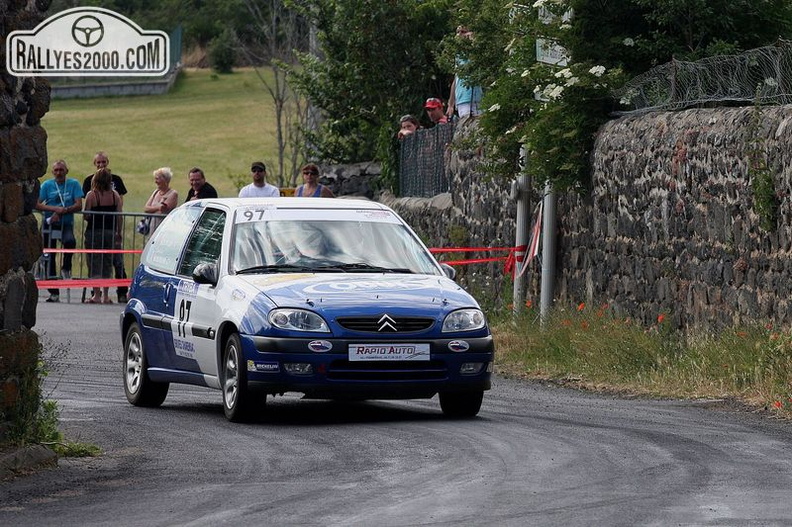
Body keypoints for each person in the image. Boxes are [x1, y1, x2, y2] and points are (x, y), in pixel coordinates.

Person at [82, 151, 129, 303]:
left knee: (94, 262)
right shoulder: (115, 195)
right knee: (108, 262)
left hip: (94, 232)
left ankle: (96, 294)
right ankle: (107, 295)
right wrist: (118, 232)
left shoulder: (91, 195)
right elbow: (119, 215)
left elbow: (86, 215)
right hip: (110, 232)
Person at [36, 159, 84, 303]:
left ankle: (66, 267)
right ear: (53, 172)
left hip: (65, 223)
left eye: (61, 170)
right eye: (56, 170)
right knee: (49, 256)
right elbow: (37, 203)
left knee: (70, 242)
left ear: (66, 171)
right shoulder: (47, 185)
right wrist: (54, 210)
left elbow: (79, 204)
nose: (59, 173)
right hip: (50, 224)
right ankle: (54, 292)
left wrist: (64, 211)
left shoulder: (73, 184)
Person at [446, 26, 483, 119]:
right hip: (461, 100)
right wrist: (451, 104)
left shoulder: (472, 52)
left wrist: (473, 39)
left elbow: (478, 55)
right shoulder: (458, 55)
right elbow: (456, 78)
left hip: (473, 99)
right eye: (457, 32)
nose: (459, 34)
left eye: (463, 32)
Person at [143, 167, 179, 235]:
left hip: (164, 230)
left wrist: (153, 209)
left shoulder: (173, 194)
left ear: (165, 179)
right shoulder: (156, 192)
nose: (155, 181)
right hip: (152, 228)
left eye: (157, 179)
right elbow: (146, 208)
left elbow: (163, 210)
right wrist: (158, 207)